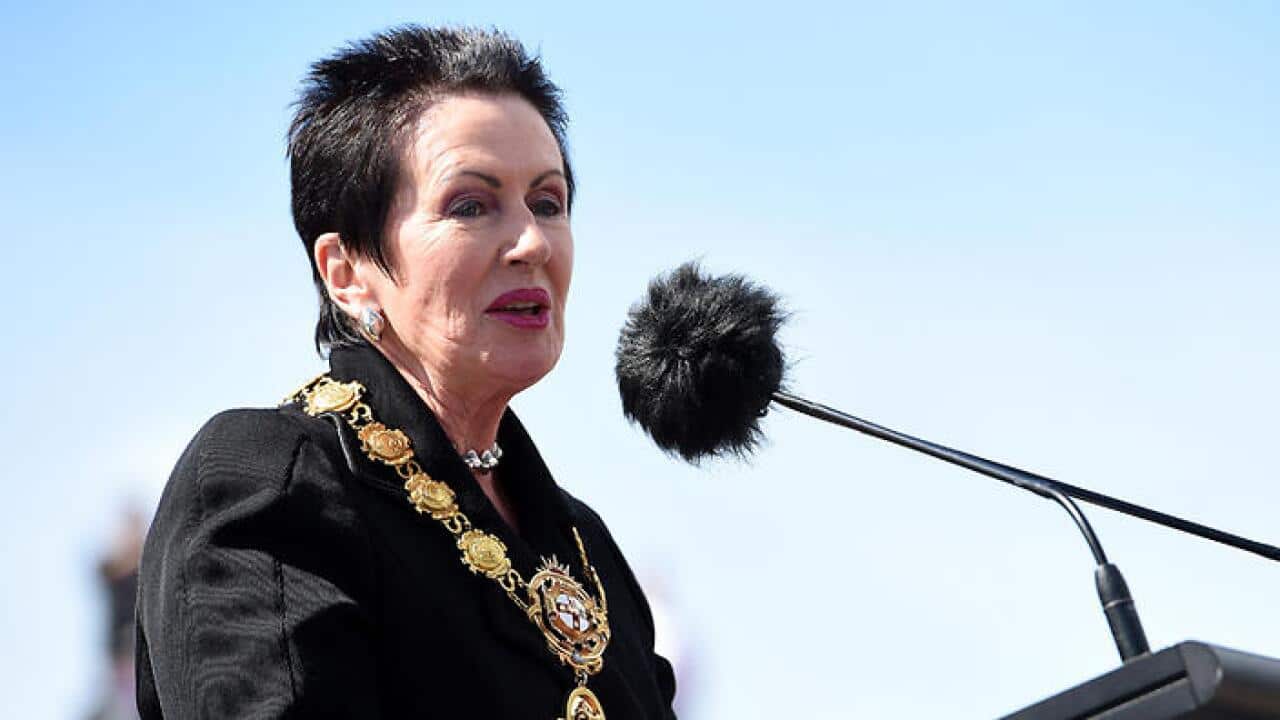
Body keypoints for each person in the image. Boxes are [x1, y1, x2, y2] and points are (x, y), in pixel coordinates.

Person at [135, 26, 677, 719]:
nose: (533, 242)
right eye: (471, 205)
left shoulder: (585, 546)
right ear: (348, 272)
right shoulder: (272, 482)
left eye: (548, 202)